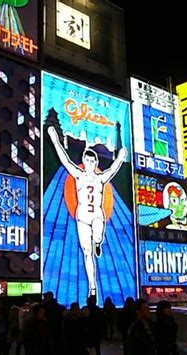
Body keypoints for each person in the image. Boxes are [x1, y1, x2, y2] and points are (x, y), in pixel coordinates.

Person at [48, 126, 127, 297]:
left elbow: (112, 170)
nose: (90, 164)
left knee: (97, 233)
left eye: (93, 162)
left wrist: (120, 157)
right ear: (84, 161)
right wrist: (55, 141)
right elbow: (65, 161)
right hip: (82, 217)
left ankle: (98, 241)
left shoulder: (100, 179)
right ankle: (92, 286)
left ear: (96, 163)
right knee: (86, 252)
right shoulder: (78, 175)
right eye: (88, 161)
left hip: (97, 215)